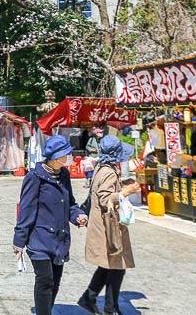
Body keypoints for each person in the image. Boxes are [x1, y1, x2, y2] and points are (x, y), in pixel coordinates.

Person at [14, 136, 88, 315]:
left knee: (55, 281)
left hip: (60, 239)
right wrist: (19, 242)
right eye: (66, 154)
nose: (69, 158)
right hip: (39, 239)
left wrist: (78, 215)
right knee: (45, 279)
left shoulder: (64, 175)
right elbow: (26, 210)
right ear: (56, 156)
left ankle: (46, 310)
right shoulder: (34, 178)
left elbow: (70, 203)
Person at [78, 135, 139, 315]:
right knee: (117, 265)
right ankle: (109, 308)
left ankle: (90, 298)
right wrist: (127, 191)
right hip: (108, 226)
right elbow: (105, 199)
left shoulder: (102, 168)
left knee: (109, 264)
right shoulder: (108, 171)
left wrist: (121, 185)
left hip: (103, 224)